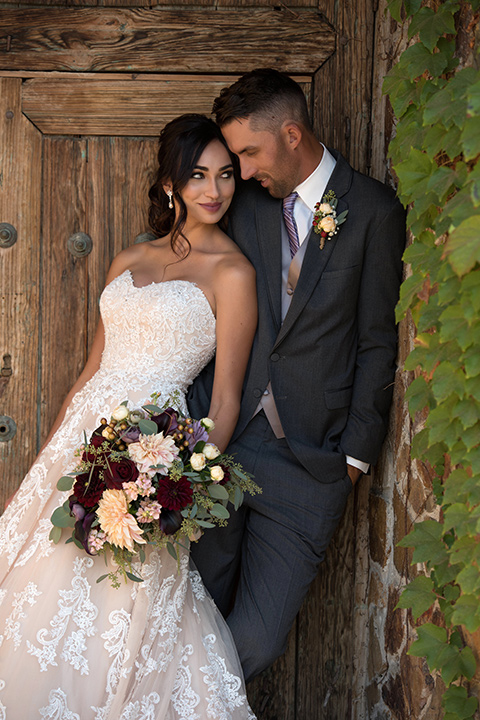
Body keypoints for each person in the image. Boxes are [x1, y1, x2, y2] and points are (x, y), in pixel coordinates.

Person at [0, 114, 258, 718]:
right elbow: (91, 371)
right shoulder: (129, 256)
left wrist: (176, 486)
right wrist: (50, 457)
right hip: (82, 444)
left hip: (151, 451)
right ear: (171, 184)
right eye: (197, 176)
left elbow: (223, 402)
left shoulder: (234, 273)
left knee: (118, 602)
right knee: (37, 580)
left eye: (224, 175)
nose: (213, 191)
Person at [189, 69, 406, 682]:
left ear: (291, 133)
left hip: (311, 463)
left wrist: (355, 457)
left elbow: (376, 339)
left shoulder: (372, 211)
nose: (244, 170)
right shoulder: (248, 206)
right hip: (221, 447)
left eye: (249, 153)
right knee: (182, 615)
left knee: (253, 643)